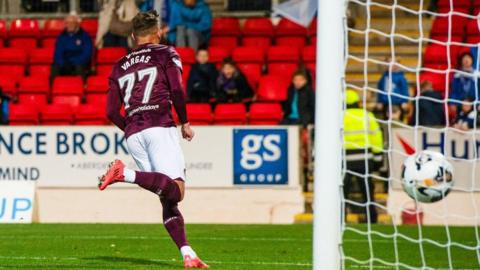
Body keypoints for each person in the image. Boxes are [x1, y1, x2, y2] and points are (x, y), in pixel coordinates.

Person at [102, 10, 208, 269]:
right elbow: (176, 89)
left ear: (132, 36)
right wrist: (185, 121)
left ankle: (187, 253)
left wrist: (130, 127)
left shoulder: (119, 66)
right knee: (177, 191)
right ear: (158, 32)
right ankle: (125, 174)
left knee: (166, 197)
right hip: (159, 126)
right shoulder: (165, 53)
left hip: (134, 134)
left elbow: (110, 111)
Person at [343, 89, 383, 224]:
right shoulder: (367, 115)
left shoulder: (338, 115)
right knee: (367, 193)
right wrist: (378, 158)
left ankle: (340, 219)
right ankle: (371, 219)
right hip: (364, 159)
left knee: (342, 193)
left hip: (345, 160)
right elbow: (377, 136)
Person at [52, 13, 93, 79]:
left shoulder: (85, 36)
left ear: (77, 23)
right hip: (65, 63)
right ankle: (54, 87)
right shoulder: (61, 36)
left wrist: (73, 62)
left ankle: (81, 87)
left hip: (79, 63)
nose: (69, 25)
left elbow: (87, 53)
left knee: (79, 68)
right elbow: (58, 53)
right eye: (67, 23)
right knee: (55, 68)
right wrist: (63, 63)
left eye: (72, 23)